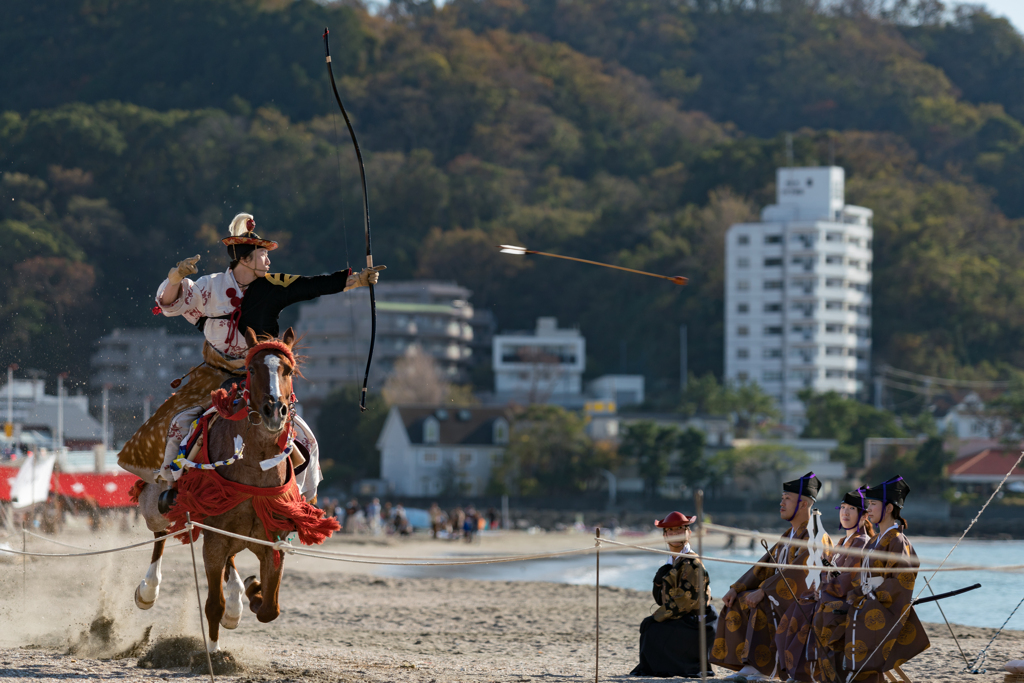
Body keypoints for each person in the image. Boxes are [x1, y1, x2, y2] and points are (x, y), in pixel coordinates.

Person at [116, 213, 383, 504]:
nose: (269, 261)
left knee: (306, 439)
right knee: (180, 421)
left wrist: (356, 280)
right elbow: (172, 302)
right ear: (244, 259)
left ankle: (304, 501)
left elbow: (310, 285)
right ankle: (171, 485)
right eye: (263, 255)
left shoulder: (271, 286)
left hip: (258, 375)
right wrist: (175, 277)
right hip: (215, 372)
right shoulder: (210, 286)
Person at [711, 472, 833, 682]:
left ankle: (761, 669)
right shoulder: (789, 535)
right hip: (781, 595)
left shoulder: (815, 534)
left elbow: (800, 572)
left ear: (803, 505)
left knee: (760, 603)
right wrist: (738, 586)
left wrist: (764, 591)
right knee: (737, 601)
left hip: (805, 600)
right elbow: (765, 564)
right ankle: (748, 665)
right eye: (782, 498)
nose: (781, 503)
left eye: (787, 499)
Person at [832, 476, 929, 683]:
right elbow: (861, 577)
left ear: (888, 508)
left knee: (858, 615)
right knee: (830, 614)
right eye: (868, 505)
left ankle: (859, 677)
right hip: (869, 600)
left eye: (873, 504)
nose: (868, 510)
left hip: (888, 607)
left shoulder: (897, 540)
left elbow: (901, 580)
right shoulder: (875, 540)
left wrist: (871, 597)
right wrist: (855, 594)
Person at [777, 487, 874, 683]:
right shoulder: (843, 542)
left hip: (845, 600)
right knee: (799, 606)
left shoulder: (861, 542)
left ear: (863, 516)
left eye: (852, 509)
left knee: (808, 610)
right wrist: (823, 565)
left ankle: (805, 674)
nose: (845, 513)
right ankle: (799, 672)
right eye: (843, 508)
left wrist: (823, 582)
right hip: (830, 595)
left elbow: (846, 580)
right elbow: (833, 571)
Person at [631, 511, 715, 678]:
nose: (675, 534)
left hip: (694, 620)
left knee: (653, 627)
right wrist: (658, 582)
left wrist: (657, 616)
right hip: (681, 615)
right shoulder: (672, 562)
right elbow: (662, 599)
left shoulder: (692, 563)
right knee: (651, 629)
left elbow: (686, 601)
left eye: (680, 529)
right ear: (664, 535)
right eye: (670, 530)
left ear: (688, 533)